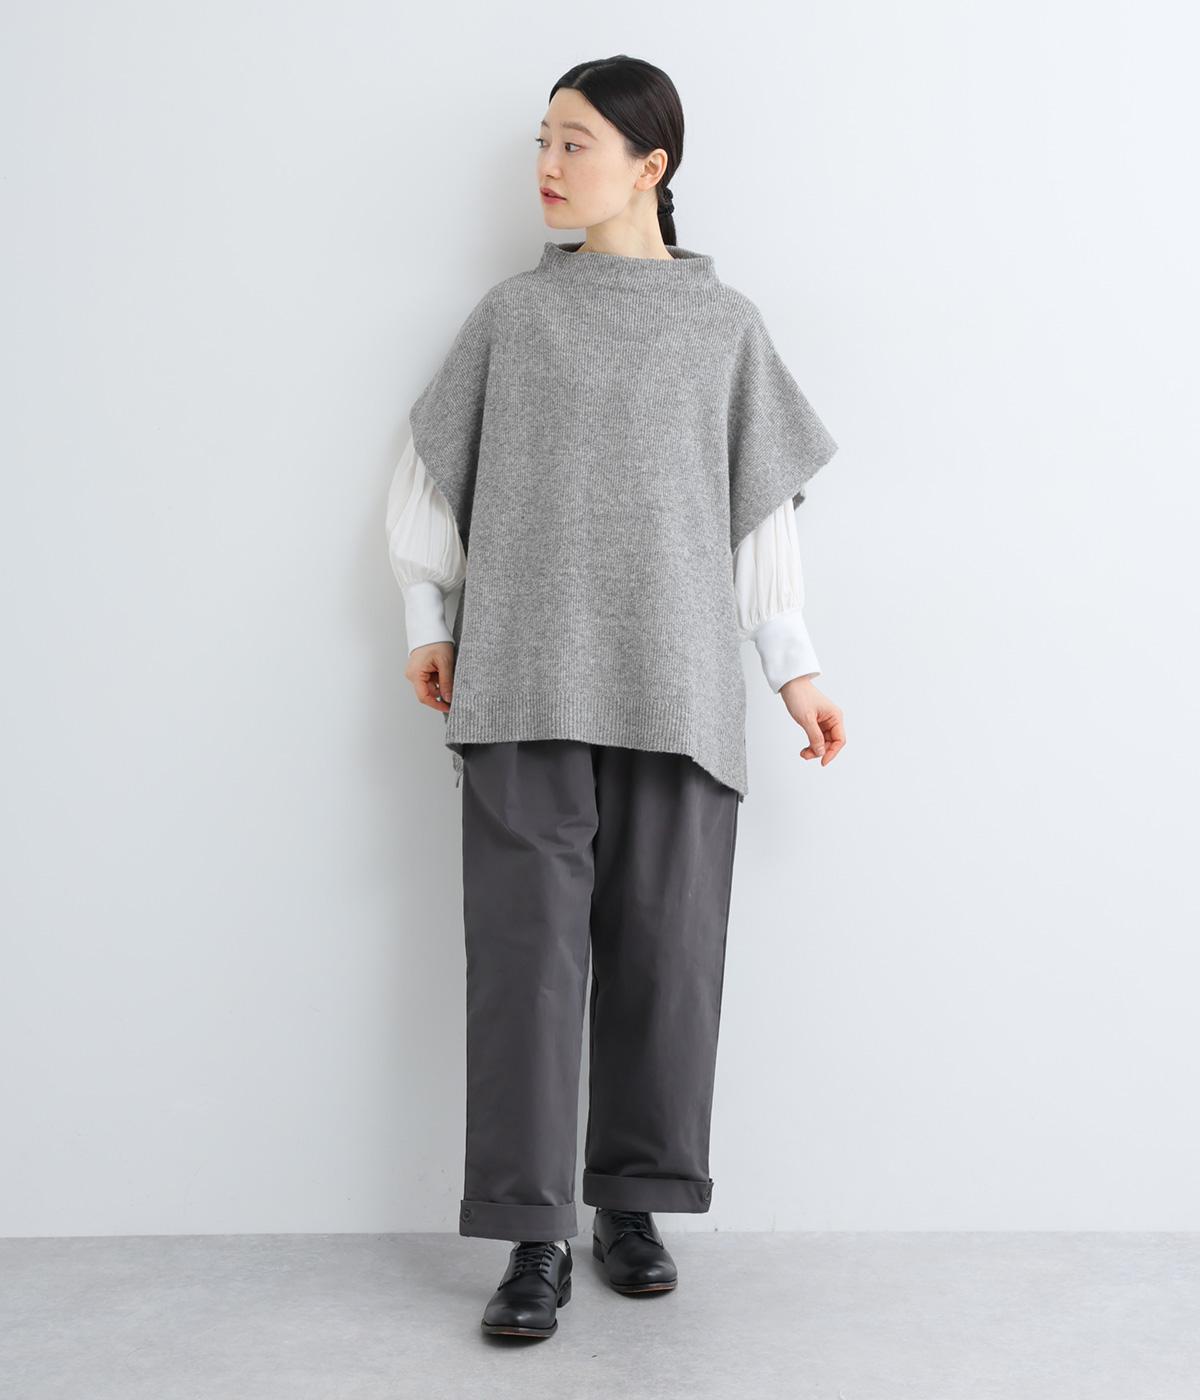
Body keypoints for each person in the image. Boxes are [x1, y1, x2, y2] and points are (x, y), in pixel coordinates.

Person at [385, 55, 846, 1341]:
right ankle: (531, 1234)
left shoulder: (726, 327)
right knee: (525, 964)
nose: (546, 165)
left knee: (667, 951)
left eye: (574, 142)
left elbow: (757, 519)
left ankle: (631, 1202)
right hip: (522, 674)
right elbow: (429, 477)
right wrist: (425, 620)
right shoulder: (513, 318)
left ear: (652, 166)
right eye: (542, 140)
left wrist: (795, 667)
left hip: (678, 683)